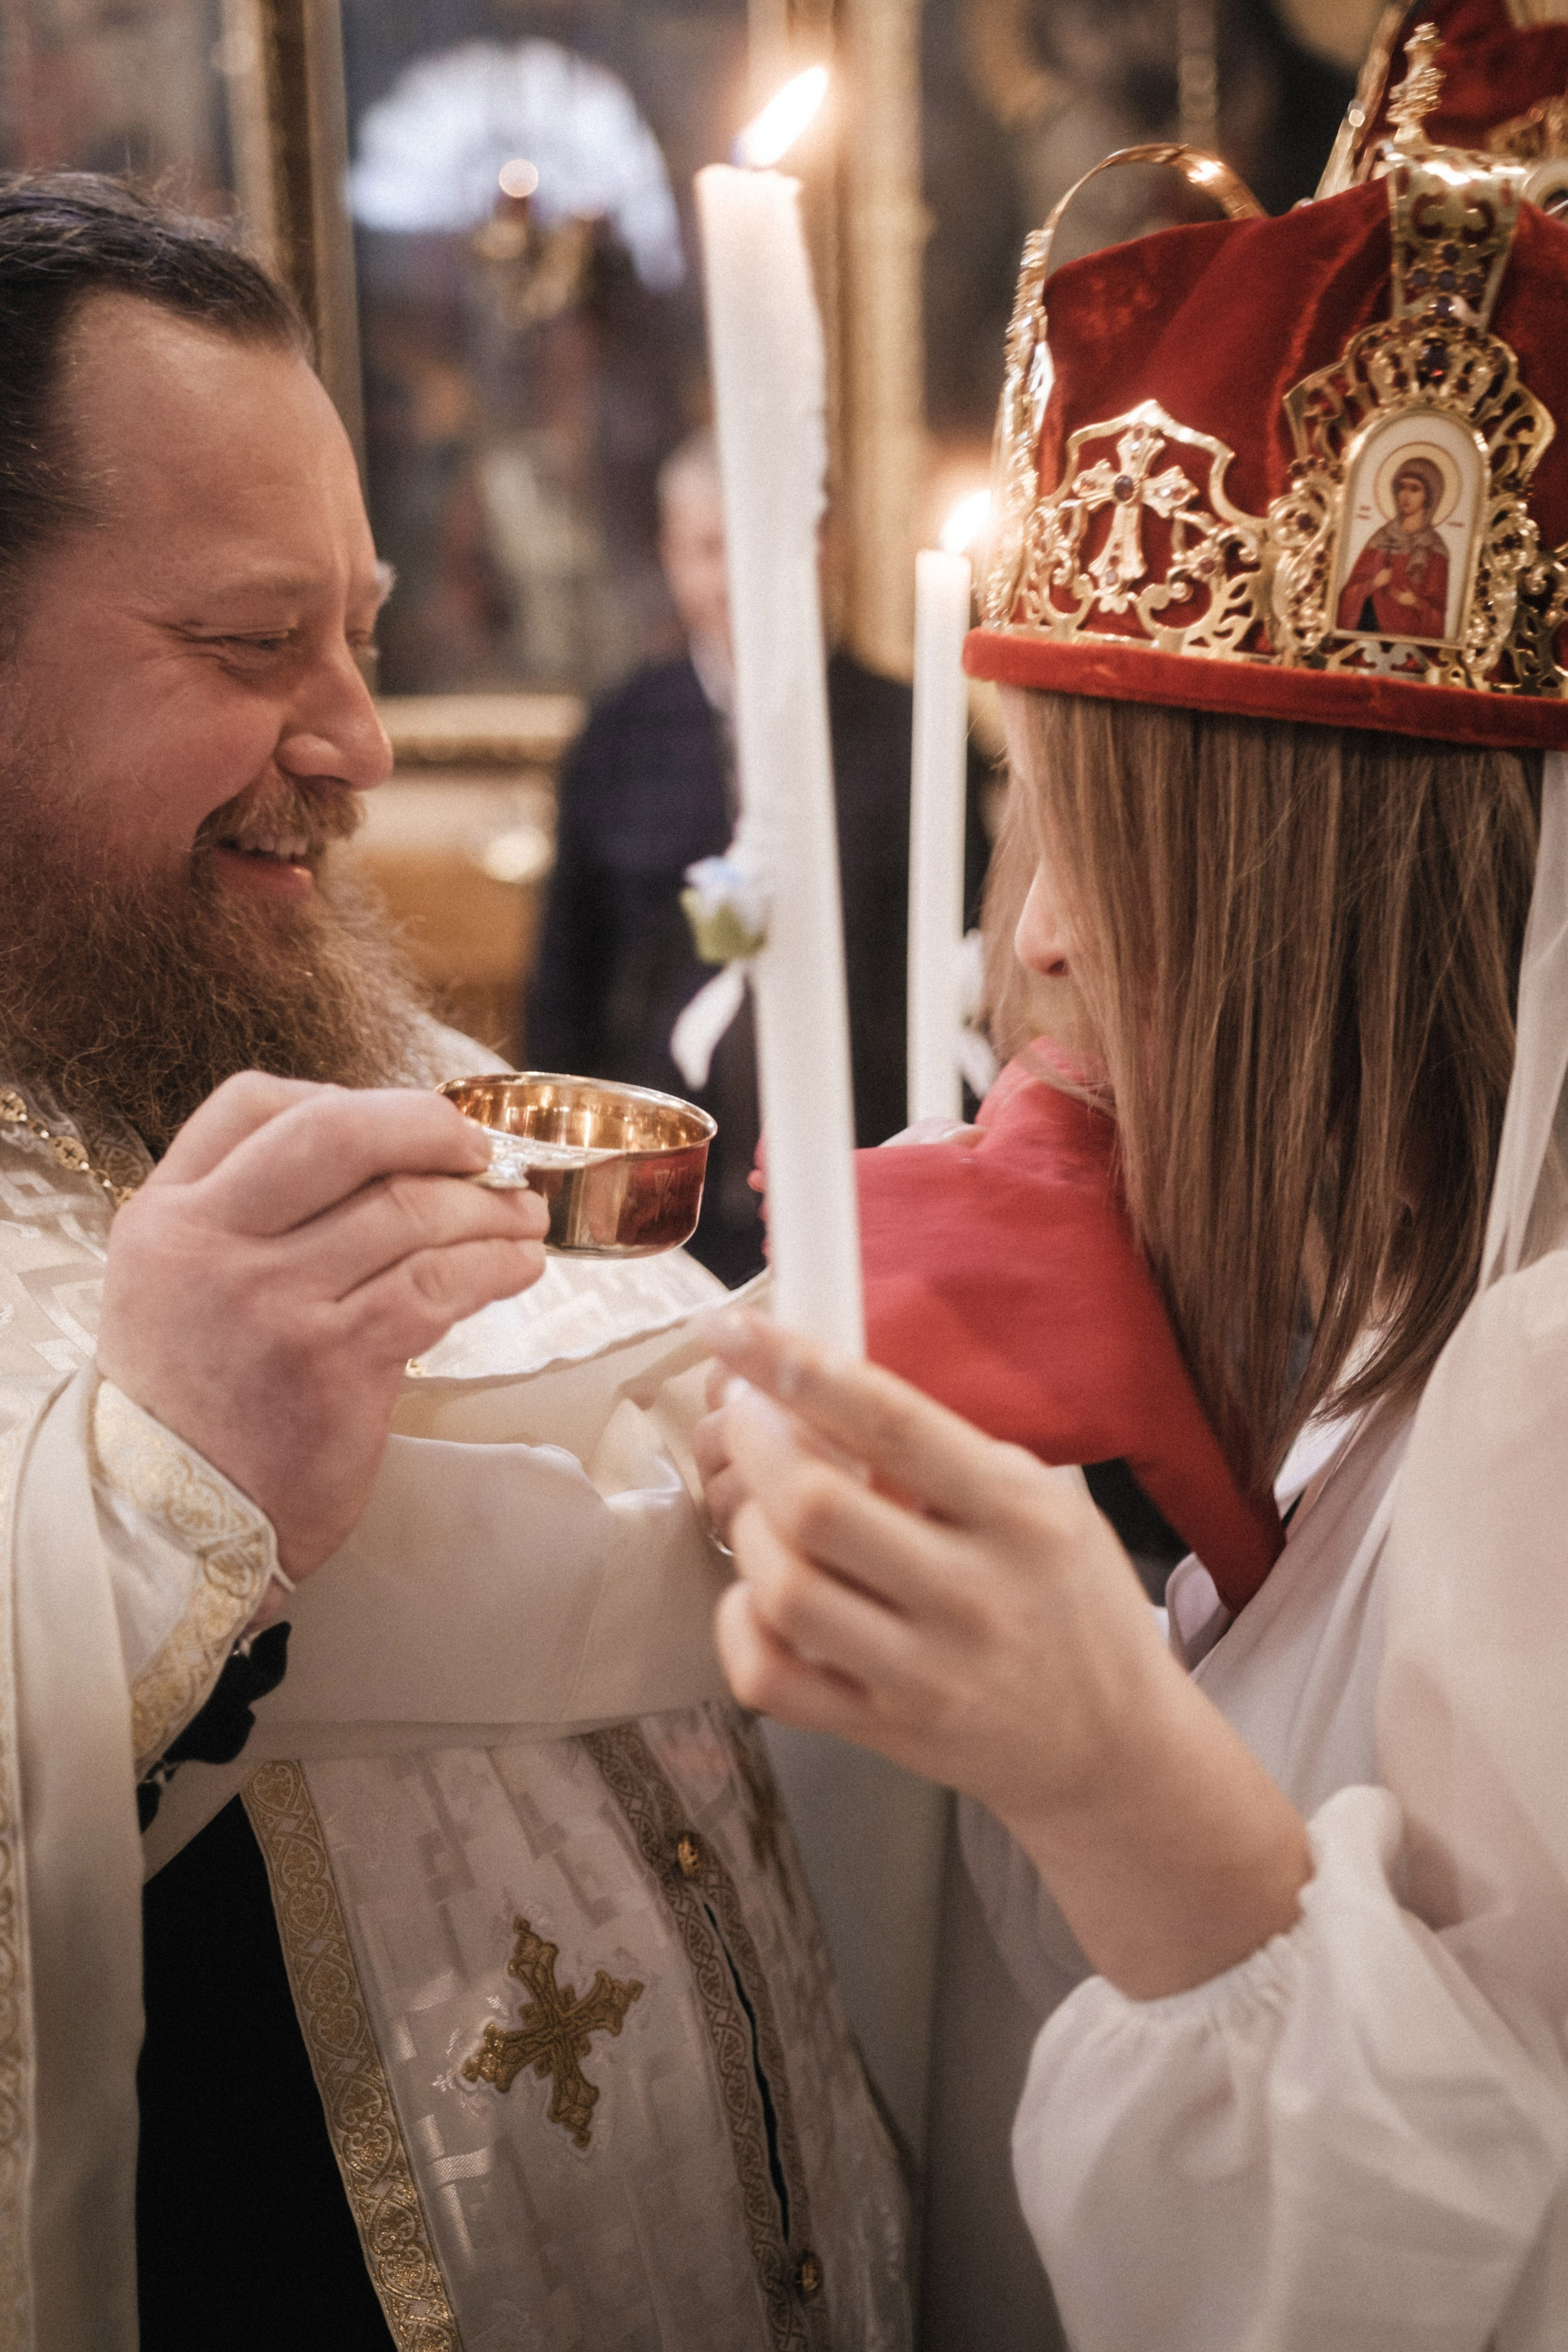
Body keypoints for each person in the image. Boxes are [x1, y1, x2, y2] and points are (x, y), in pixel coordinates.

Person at [695, 60, 1568, 2352]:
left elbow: (1480, 2268)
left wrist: (1106, 1761)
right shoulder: (1389, 1333)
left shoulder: (1543, 1385)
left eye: (1116, 843)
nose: (1040, 939)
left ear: (1348, 885)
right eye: (1033, 827)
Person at [0, 174, 908, 2350]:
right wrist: (148, 1515)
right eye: (252, 645)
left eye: (365, 638)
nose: (357, 742)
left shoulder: (352, 1055)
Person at [528, 428, 989, 1285]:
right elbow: (568, 984)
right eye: (710, 548)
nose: (736, 577)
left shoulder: (911, 732)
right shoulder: (619, 735)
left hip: (868, 1180)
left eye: (764, 541)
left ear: (827, 545)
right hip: (665, 1206)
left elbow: (969, 966)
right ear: (672, 557)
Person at [1335, 455, 1449, 636]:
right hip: (1369, 629)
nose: (1406, 495)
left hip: (1412, 640)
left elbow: (1438, 615)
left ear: (1429, 496)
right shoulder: (1380, 539)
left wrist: (1416, 603)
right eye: (1402, 487)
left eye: (1415, 489)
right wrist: (1373, 584)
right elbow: (1348, 596)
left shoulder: (1435, 549)